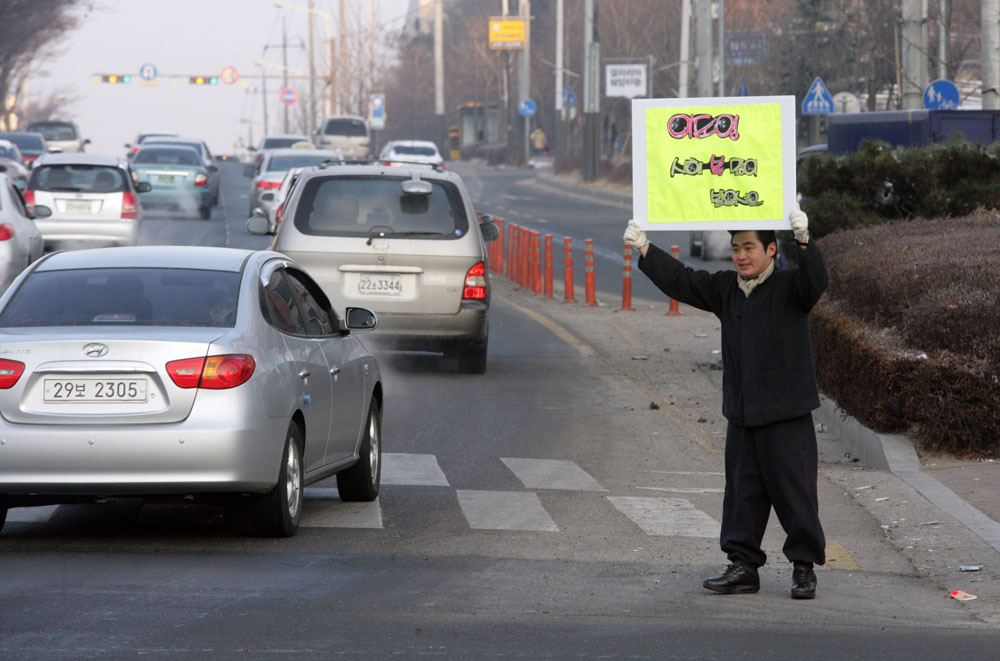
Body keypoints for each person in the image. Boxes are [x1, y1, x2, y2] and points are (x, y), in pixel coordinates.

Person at [623, 206, 827, 600]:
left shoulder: (790, 288)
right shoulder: (726, 289)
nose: (741, 256)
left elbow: (815, 281)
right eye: (736, 248)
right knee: (741, 495)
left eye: (749, 247)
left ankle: (804, 569)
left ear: (770, 250)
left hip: (786, 414)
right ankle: (743, 567)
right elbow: (683, 281)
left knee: (796, 494)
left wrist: (804, 241)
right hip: (743, 413)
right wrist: (646, 248)